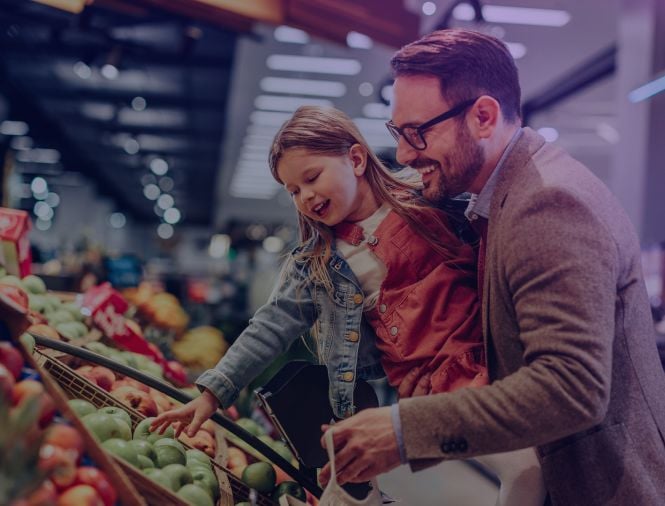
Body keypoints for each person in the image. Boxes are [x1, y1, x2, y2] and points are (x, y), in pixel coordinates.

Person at [318, 28, 665, 506]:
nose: (403, 154)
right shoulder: (504, 199)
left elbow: (572, 387)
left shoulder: (546, 203)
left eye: (418, 132)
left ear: (483, 116)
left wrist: (404, 432)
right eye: (398, 133)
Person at [151, 105, 544, 502]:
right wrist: (212, 393)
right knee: (523, 467)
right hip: (437, 388)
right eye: (293, 191)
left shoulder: (428, 200)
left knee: (536, 464)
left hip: (497, 358)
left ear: (356, 159)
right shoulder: (316, 263)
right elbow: (270, 325)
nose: (305, 196)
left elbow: (498, 223)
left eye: (311, 177)